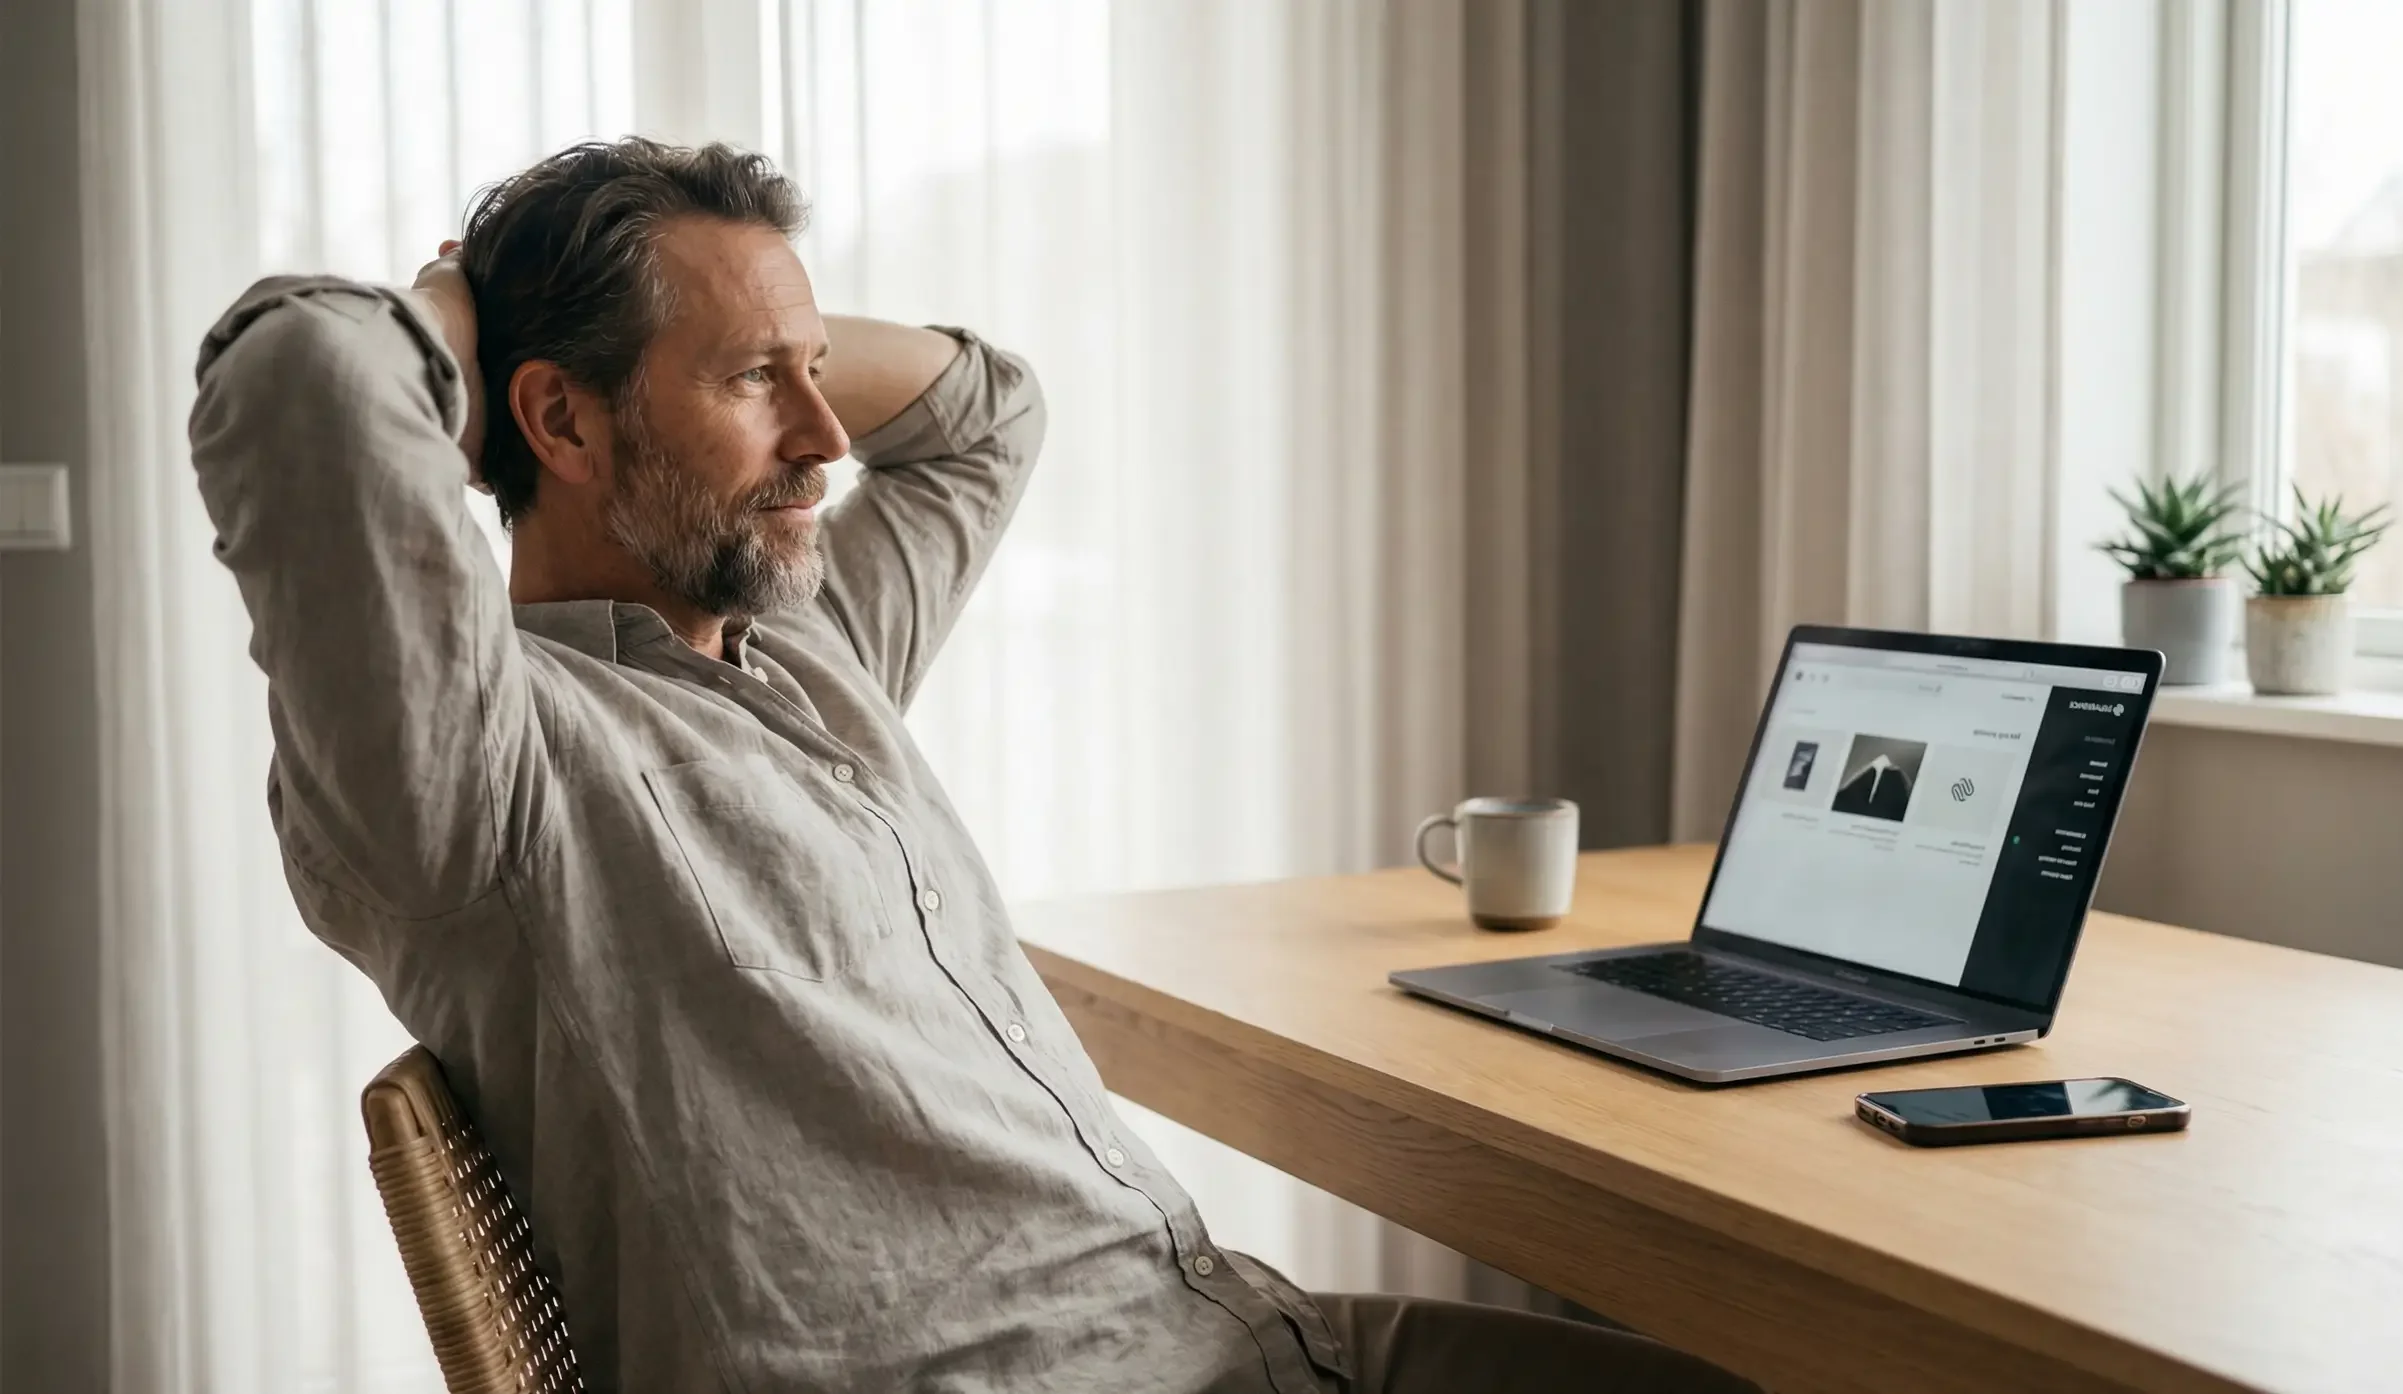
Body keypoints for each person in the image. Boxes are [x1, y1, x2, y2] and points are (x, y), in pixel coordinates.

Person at [192, 138, 1756, 1394]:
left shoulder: (804, 644)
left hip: (1236, 1332)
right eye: (753, 382)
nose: (826, 434)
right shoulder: (486, 775)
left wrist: (749, 341)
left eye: (816, 369)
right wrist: (469, 312)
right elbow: (311, 384)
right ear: (557, 422)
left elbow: (986, 414)